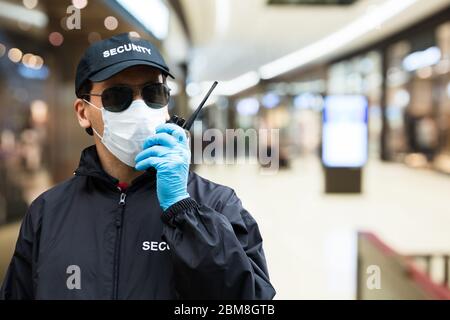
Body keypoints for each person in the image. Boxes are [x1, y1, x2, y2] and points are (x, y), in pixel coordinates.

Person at [0, 33, 275, 300]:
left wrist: (184, 212)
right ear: (84, 113)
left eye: (153, 92)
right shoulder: (47, 213)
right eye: (117, 96)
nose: (140, 107)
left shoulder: (217, 204)